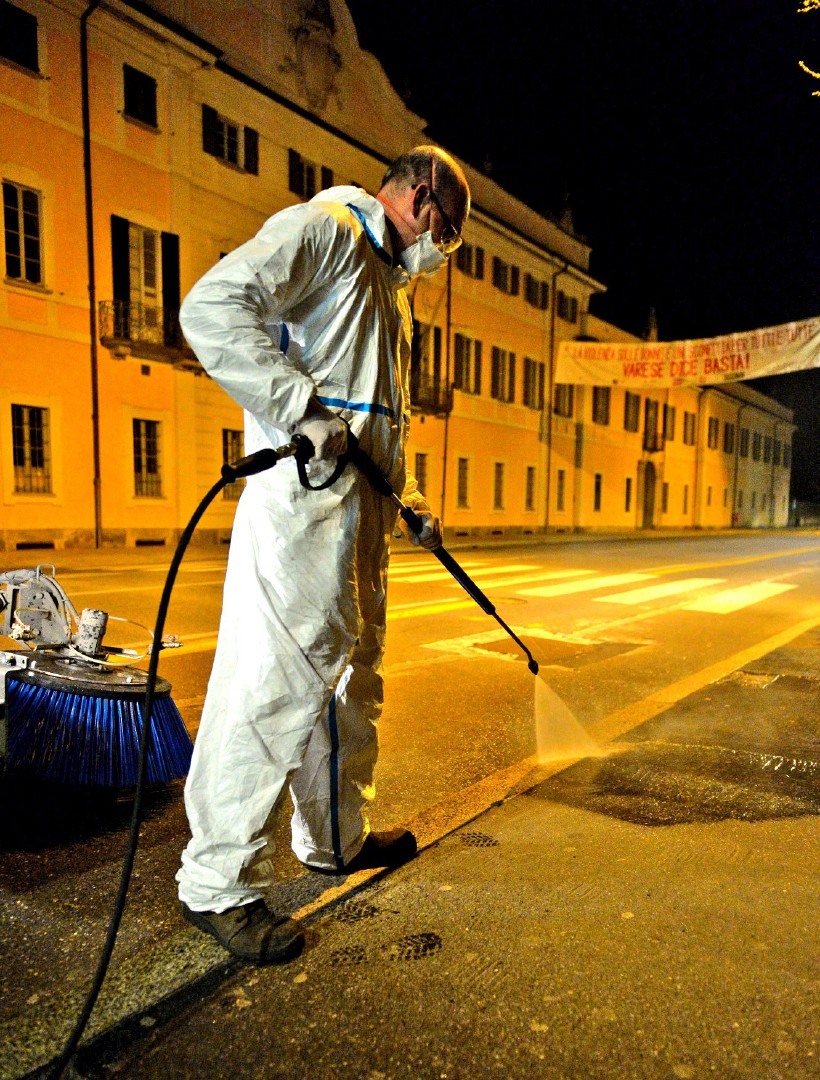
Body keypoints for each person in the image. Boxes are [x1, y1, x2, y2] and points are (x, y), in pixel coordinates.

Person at [176, 146, 471, 963]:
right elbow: (212, 307)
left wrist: (407, 500)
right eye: (445, 232)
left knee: (350, 683)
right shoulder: (330, 230)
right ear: (418, 197)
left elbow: (374, 416)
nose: (442, 251)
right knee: (273, 689)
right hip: (302, 509)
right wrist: (297, 405)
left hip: (361, 517)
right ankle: (216, 885)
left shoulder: (390, 286)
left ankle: (335, 838)